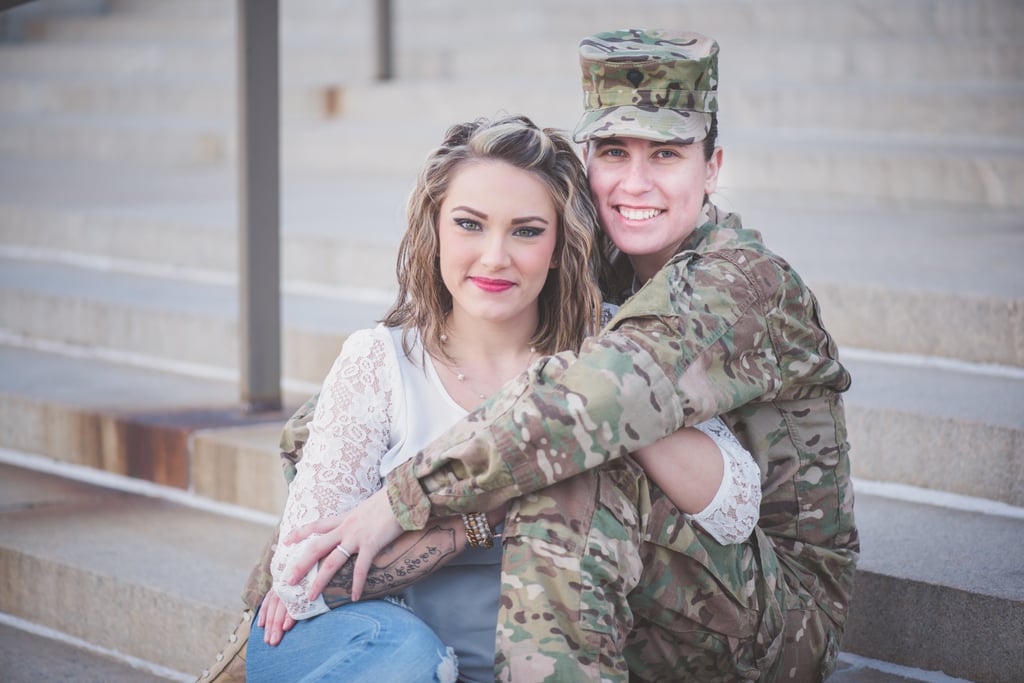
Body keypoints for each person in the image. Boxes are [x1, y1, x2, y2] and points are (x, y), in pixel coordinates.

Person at [283, 29, 859, 683]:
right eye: (615, 152)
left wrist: (399, 500)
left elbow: (581, 406)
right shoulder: (604, 258)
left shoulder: (738, 282)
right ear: (588, 159)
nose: (635, 183)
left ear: (713, 168)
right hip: (662, 580)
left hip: (779, 614)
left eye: (666, 154)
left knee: (569, 463)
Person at [199, 114, 760, 683]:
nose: (495, 257)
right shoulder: (381, 361)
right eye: (470, 224)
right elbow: (301, 580)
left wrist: (601, 410)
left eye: (526, 230)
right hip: (396, 661)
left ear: (561, 246)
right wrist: (478, 517)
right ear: (435, 229)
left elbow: (734, 507)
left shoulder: (612, 349)